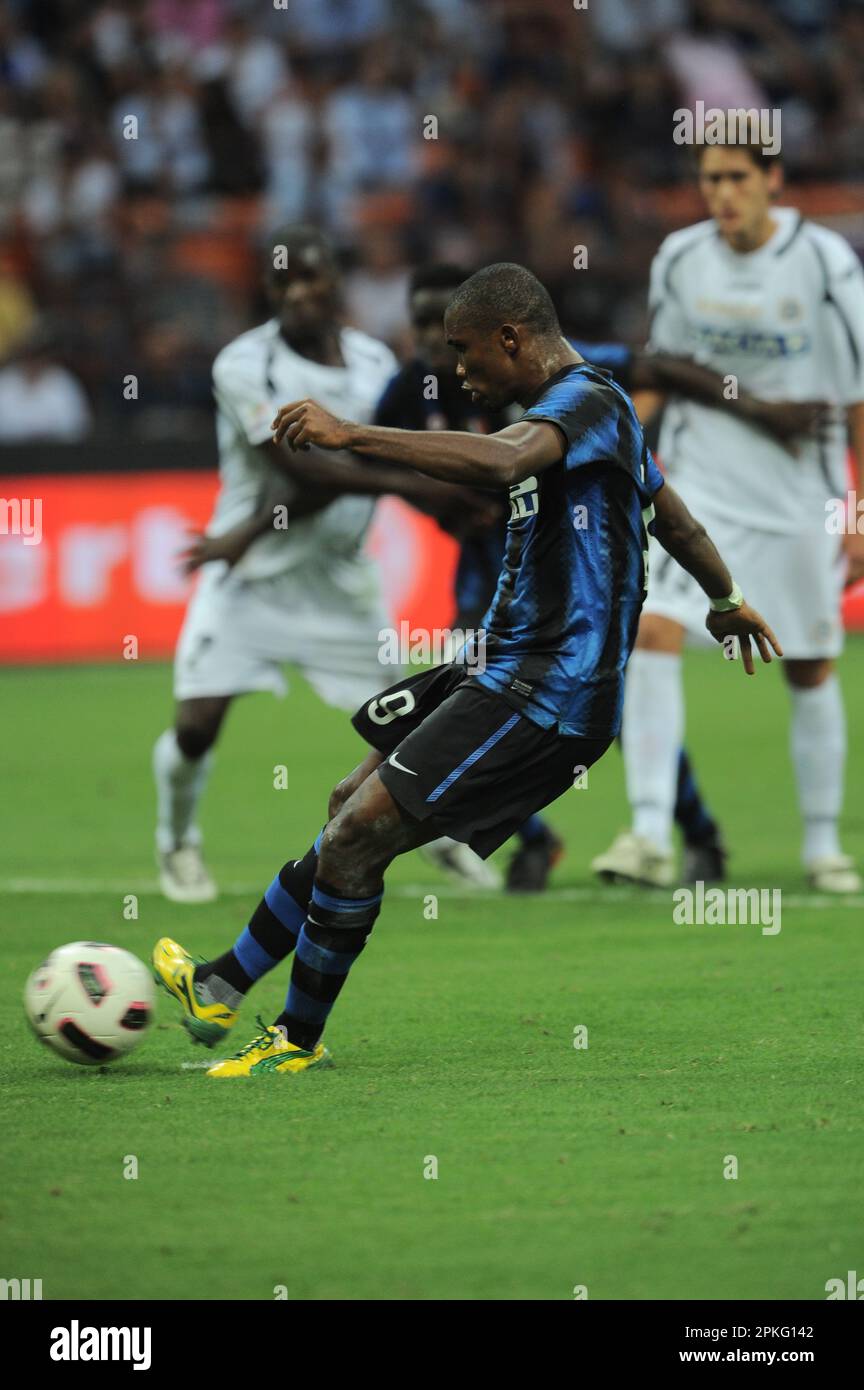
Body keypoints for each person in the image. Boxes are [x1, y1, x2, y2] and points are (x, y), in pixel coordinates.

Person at [152, 261, 779, 1077]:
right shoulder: (584, 417)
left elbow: (501, 463)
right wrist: (724, 595)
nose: (454, 368)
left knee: (354, 839)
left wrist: (353, 432)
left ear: (513, 338)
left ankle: (295, 1042)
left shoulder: (584, 402)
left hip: (549, 691)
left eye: (465, 350)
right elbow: (673, 516)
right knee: (347, 806)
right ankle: (221, 986)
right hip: (497, 666)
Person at [152, 225, 490, 902]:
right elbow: (312, 470)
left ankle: (437, 833)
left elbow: (386, 449)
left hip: (339, 576)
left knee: (409, 721)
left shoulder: (372, 362)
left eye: (312, 277)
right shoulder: (244, 365)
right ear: (270, 291)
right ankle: (177, 843)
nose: (300, 292)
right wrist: (418, 489)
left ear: (337, 281)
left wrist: (449, 506)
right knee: (196, 723)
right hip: (253, 579)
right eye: (284, 282)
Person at [593, 140, 864, 892]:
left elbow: (857, 396)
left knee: (809, 665)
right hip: (700, 483)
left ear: (772, 179)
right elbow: (664, 373)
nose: (722, 193)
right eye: (710, 178)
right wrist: (615, 449)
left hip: (796, 493)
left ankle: (821, 846)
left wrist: (859, 511)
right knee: (651, 630)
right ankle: (648, 832)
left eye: (737, 177)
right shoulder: (680, 257)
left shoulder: (823, 264)